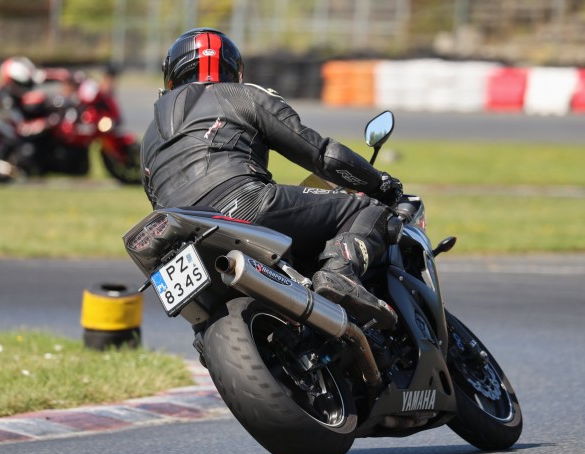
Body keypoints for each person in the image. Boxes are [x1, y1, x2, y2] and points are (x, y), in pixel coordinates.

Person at [140, 28, 403, 330]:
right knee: (366, 208)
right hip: (241, 203)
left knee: (204, 319)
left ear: (170, 76)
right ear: (234, 70)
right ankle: (340, 274)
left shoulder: (149, 136)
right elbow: (323, 155)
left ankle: (210, 336)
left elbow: (153, 196)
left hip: (177, 234)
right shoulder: (243, 95)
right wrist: (378, 183)